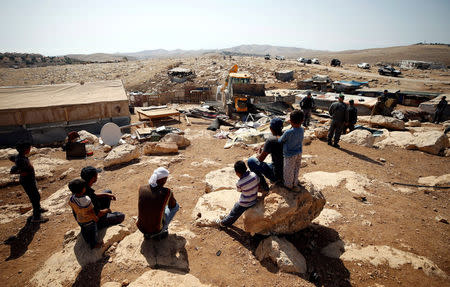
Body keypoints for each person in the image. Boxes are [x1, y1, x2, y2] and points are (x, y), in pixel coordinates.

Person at [9, 142, 48, 223]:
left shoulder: (20, 156)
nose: (30, 150)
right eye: (29, 148)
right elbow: (14, 170)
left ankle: (38, 209)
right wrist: (22, 172)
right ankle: (37, 217)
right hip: (28, 181)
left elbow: (11, 158)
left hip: (29, 180)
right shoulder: (21, 159)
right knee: (35, 198)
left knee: (36, 196)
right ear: (25, 150)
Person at [137, 167, 179, 239]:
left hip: (141, 228)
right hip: (156, 230)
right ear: (163, 179)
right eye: (166, 178)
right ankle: (160, 232)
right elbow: (173, 205)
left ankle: (148, 232)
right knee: (176, 206)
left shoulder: (141, 188)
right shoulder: (167, 192)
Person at [216, 161, 259, 228]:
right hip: (254, 200)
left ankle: (223, 223)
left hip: (244, 203)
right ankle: (226, 218)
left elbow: (239, 190)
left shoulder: (239, 183)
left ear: (237, 173)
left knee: (234, 213)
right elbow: (258, 181)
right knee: (234, 211)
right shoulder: (254, 175)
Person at [68, 178, 107, 249]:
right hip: (89, 221)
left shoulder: (72, 198)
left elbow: (71, 205)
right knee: (93, 232)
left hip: (79, 219)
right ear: (83, 189)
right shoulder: (86, 200)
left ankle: (86, 239)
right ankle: (94, 244)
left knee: (84, 230)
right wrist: (95, 218)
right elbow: (91, 212)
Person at [247, 118, 284, 191]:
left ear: (270, 128)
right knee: (272, 162)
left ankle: (263, 185)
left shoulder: (271, 140)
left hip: (277, 175)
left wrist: (258, 153)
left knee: (251, 161)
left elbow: (260, 159)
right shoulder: (286, 136)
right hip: (287, 171)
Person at [279, 110, 304, 189]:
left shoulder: (288, 132)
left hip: (289, 154)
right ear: (302, 121)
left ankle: (288, 185)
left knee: (288, 170)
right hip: (299, 152)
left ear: (290, 121)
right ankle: (295, 183)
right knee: (296, 168)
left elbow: (281, 140)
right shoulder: (302, 130)